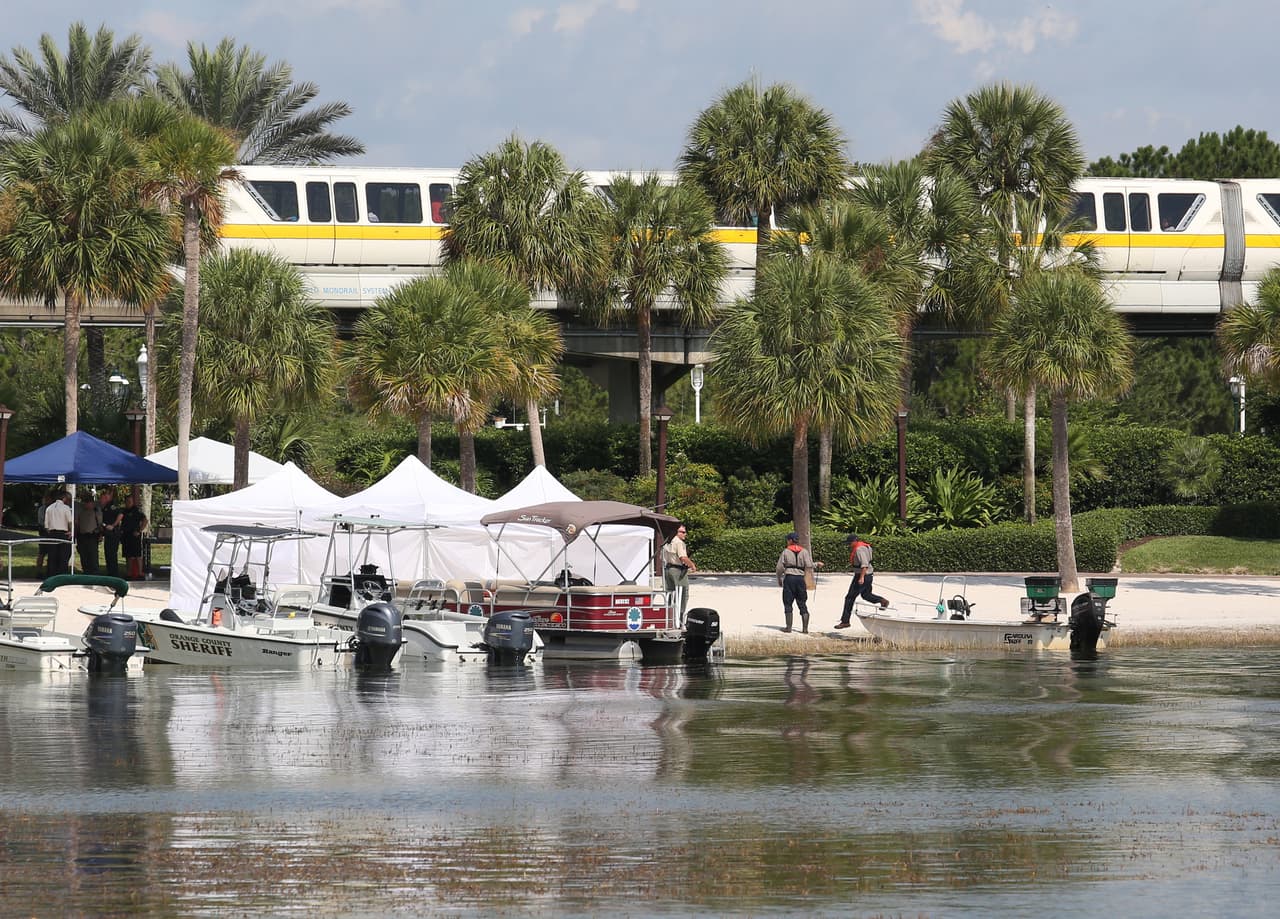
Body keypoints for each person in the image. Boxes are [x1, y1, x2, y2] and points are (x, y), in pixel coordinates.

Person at [835, 533, 889, 629]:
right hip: (868, 575)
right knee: (866, 595)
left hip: (862, 575)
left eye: (849, 543)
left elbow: (864, 565)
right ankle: (882, 601)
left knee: (849, 598)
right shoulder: (865, 546)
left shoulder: (859, 549)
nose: (848, 545)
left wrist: (861, 577)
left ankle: (845, 621)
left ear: (854, 542)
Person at [776, 531, 819, 634]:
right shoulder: (804, 551)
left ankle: (788, 628)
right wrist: (817, 564)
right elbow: (808, 565)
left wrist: (779, 579)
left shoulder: (786, 552)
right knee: (802, 603)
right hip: (800, 579)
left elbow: (779, 567)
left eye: (788, 540)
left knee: (787, 603)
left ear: (790, 541)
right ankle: (805, 629)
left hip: (789, 578)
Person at [661, 522, 696, 624]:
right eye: (683, 532)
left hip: (668, 570)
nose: (685, 534)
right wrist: (692, 565)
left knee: (670, 594)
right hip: (677, 570)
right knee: (683, 594)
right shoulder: (678, 542)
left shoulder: (667, 541)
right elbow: (683, 557)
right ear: (677, 532)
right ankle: (679, 619)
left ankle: (670, 618)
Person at [44, 490, 74, 576]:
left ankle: (51, 574)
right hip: (63, 533)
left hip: (52, 533)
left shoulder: (49, 508)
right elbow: (70, 521)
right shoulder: (66, 508)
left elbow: (46, 525)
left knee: (52, 555)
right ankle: (62, 574)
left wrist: (50, 532)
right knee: (64, 555)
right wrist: (71, 531)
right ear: (64, 498)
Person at [74, 492, 102, 574]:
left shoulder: (96, 510)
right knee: (83, 556)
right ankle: (86, 572)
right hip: (82, 536)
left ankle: (95, 573)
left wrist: (100, 534)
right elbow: (77, 523)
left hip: (92, 536)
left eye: (88, 502)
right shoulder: (80, 510)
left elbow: (100, 523)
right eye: (84, 502)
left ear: (92, 503)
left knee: (93, 556)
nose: (86, 504)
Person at [99, 488, 123, 578]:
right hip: (107, 533)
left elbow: (120, 514)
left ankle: (114, 574)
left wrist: (113, 525)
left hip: (113, 533)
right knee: (108, 554)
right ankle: (110, 573)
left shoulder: (112, 505)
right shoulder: (104, 507)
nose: (101, 500)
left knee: (112, 554)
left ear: (107, 497)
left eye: (103, 497)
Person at [120, 495, 146, 580]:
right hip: (126, 535)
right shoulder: (124, 511)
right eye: (127, 501)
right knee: (128, 555)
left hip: (135, 535)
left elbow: (145, 520)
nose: (128, 503)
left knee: (137, 554)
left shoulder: (136, 511)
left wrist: (139, 530)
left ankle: (140, 573)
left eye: (130, 501)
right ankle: (129, 573)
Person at [34, 490, 56, 576]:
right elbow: (42, 522)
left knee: (51, 553)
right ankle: (39, 571)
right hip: (44, 533)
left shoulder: (52, 509)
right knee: (42, 553)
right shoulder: (42, 509)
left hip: (51, 533)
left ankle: (49, 570)